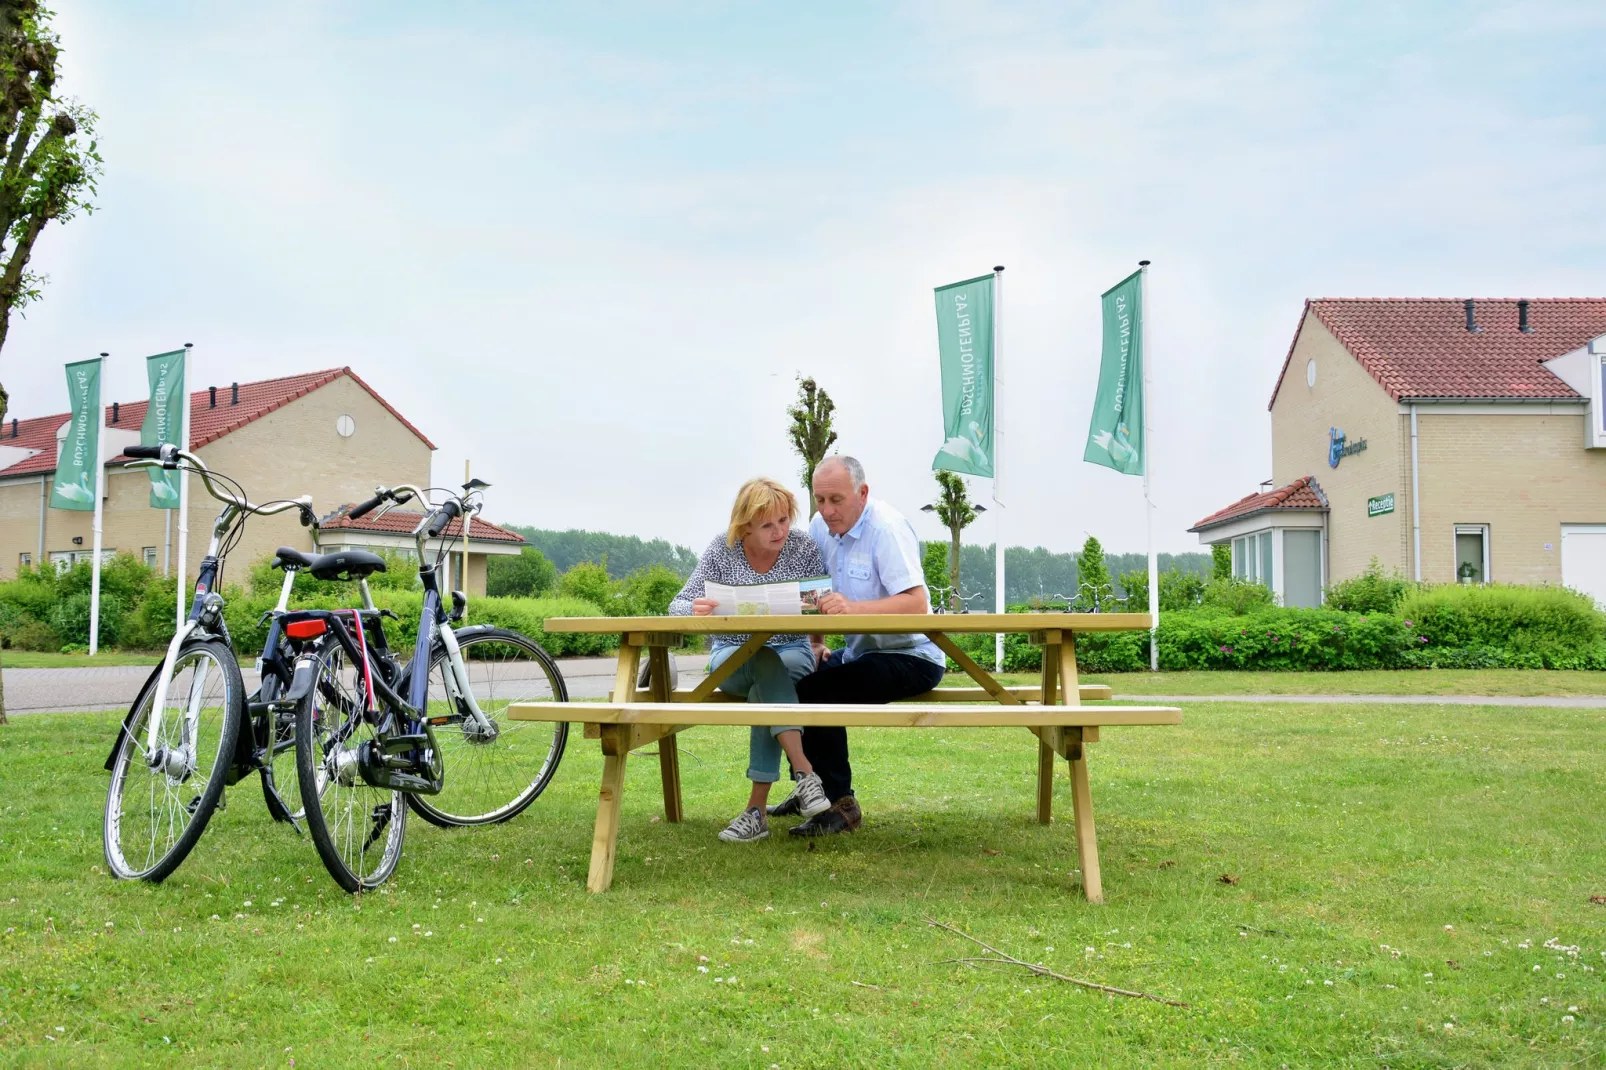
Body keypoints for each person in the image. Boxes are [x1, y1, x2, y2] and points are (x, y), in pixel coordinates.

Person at [769, 455, 946, 837]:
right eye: (820, 500)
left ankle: (840, 806)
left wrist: (854, 608)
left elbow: (917, 604)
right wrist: (816, 643)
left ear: (862, 493)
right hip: (861, 653)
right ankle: (809, 789)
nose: (827, 511)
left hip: (912, 656)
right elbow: (816, 592)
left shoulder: (887, 528)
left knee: (819, 691)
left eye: (836, 500)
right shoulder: (819, 527)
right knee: (794, 681)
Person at [668, 477, 832, 843]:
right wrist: (695, 609)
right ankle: (805, 773)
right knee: (764, 668)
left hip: (793, 652)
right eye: (768, 525)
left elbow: (819, 600)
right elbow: (676, 604)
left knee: (768, 679)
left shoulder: (802, 546)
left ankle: (755, 812)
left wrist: (819, 642)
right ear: (745, 527)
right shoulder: (722, 549)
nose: (780, 531)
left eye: (785, 521)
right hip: (733, 655)